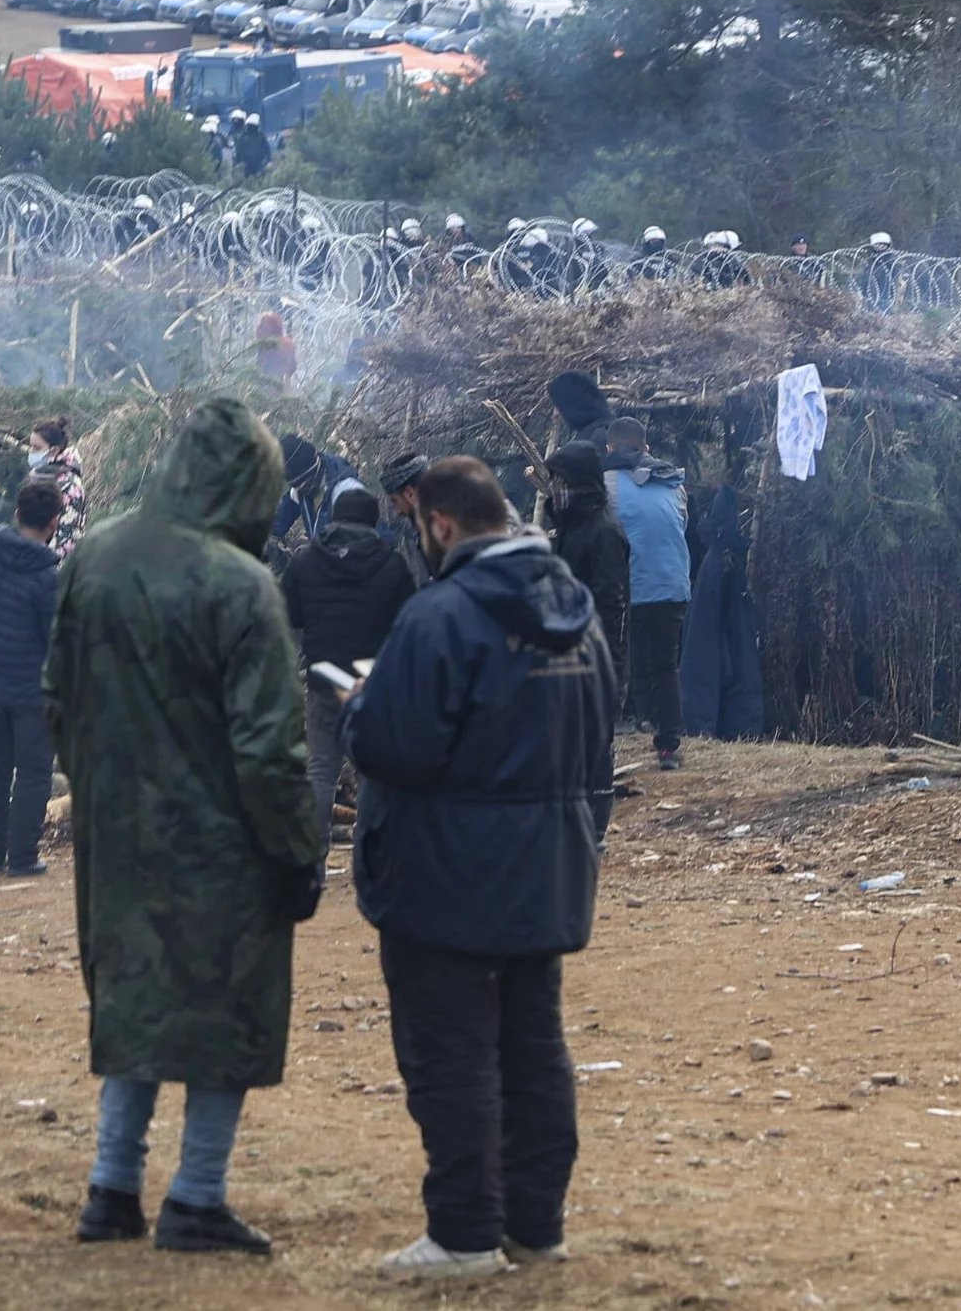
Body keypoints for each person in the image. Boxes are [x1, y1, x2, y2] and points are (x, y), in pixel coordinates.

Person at [45, 398, 324, 1257]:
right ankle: (197, 1196)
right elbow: (270, 748)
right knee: (221, 1012)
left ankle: (110, 1189)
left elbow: (58, 697)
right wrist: (298, 854)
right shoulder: (243, 586)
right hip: (221, 844)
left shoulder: (95, 555)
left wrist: (97, 789)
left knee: (136, 1004)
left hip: (117, 833)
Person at [343, 455, 618, 1279]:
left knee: (450, 1053)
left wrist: (361, 707)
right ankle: (535, 1225)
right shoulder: (577, 609)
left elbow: (398, 746)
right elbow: (601, 725)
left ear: (439, 525)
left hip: (445, 872)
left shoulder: (439, 616)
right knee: (534, 1046)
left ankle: (462, 1233)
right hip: (549, 864)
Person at [280, 485, 417, 843]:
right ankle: (369, 858)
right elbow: (408, 622)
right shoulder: (391, 564)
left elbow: (290, 615)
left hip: (324, 680)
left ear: (335, 518)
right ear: (372, 521)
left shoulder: (304, 560)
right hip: (372, 682)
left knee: (321, 770)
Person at [0, 480, 64, 879]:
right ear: (54, 523)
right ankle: (21, 857)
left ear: (17, 514)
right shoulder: (50, 575)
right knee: (34, 771)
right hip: (32, 689)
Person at [603, 417, 690, 770]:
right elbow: (679, 523)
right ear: (646, 448)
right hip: (673, 583)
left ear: (609, 449)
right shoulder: (673, 480)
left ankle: (610, 739)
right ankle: (668, 745)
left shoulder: (604, 483)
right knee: (665, 664)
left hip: (631, 586)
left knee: (617, 662)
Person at [545, 442, 630, 678]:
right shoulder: (571, 523)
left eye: (560, 482)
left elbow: (610, 604)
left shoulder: (605, 531)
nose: (553, 489)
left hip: (595, 655)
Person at [272, 434, 362, 546]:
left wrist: (310, 554)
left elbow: (364, 548)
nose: (297, 488)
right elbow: (280, 520)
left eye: (299, 483)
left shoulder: (348, 492)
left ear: (307, 473)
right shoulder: (303, 487)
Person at [25, 418, 86, 558]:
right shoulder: (36, 476)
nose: (31, 451)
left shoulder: (70, 485)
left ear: (54, 450)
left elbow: (67, 537)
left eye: (37, 447)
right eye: (31, 446)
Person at [379, 453, 433, 590]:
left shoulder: (444, 534)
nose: (397, 512)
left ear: (409, 493)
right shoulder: (429, 533)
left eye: (395, 501)